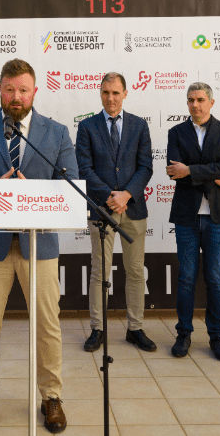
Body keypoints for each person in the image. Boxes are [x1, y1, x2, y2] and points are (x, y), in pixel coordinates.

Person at [0, 58, 77, 435]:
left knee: (48, 325)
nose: (16, 96)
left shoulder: (56, 132)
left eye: (23, 90)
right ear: (0, 91)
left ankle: (51, 396)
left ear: (34, 91)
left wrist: (32, 192)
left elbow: (70, 183)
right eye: (9, 89)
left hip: (39, 243)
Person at [75, 72, 155, 354]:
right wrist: (111, 196)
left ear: (125, 93)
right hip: (102, 208)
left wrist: (126, 194)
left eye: (116, 93)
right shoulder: (87, 126)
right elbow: (84, 168)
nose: (111, 98)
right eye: (106, 92)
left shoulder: (139, 125)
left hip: (133, 208)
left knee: (135, 271)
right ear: (100, 93)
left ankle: (135, 329)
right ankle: (97, 328)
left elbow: (146, 166)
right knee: (100, 270)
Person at [166, 82, 220, 361]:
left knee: (216, 278)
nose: (194, 104)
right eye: (190, 100)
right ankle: (183, 334)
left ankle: (217, 336)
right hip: (187, 216)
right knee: (186, 278)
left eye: (199, 99)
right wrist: (214, 177)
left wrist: (191, 171)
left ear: (211, 102)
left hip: (217, 216)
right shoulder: (176, 132)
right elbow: (173, 171)